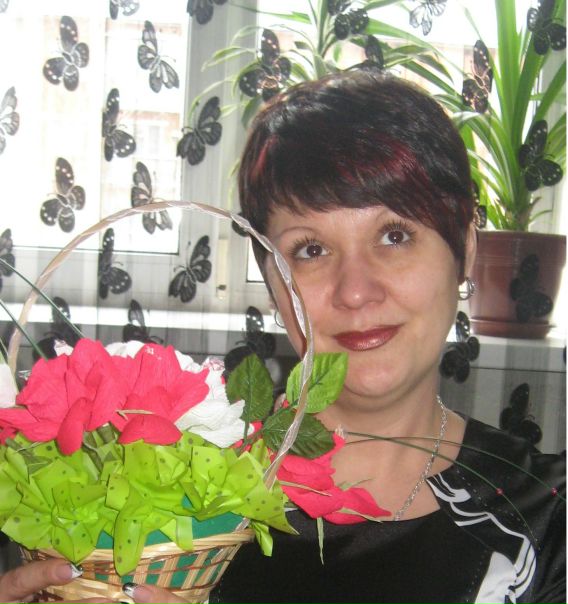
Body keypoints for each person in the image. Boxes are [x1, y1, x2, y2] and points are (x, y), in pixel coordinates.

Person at [0, 71, 564, 604]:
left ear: (465, 249)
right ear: (272, 282)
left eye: (394, 236)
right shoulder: (158, 492)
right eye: (310, 250)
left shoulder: (545, 516)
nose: (355, 291)